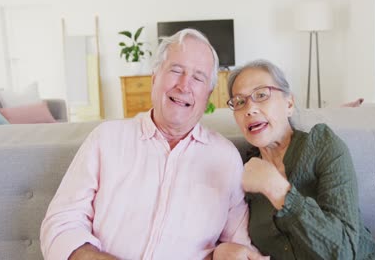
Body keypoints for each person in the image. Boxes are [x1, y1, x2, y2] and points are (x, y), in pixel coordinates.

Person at [40, 29, 262, 260]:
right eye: (176, 70)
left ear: (208, 93)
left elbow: (239, 241)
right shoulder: (106, 138)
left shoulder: (225, 157)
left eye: (198, 77)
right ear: (155, 78)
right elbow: (62, 222)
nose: (184, 85)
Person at [215, 59, 375, 259]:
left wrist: (278, 191)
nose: (250, 109)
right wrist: (223, 250)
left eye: (261, 95)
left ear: (289, 104)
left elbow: (344, 252)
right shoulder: (241, 168)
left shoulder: (323, 146)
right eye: (240, 102)